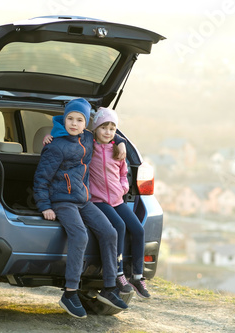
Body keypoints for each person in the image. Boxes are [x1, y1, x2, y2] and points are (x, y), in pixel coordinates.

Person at [33, 98, 128, 319]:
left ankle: (109, 288)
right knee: (80, 235)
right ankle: (70, 292)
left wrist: (121, 140)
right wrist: (45, 205)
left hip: (83, 199)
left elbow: (106, 133)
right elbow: (40, 179)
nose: (74, 123)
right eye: (70, 119)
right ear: (64, 119)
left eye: (79, 120)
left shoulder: (87, 138)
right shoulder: (55, 145)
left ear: (86, 124)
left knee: (109, 232)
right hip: (62, 200)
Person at [89, 107, 151, 298]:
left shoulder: (117, 149)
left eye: (112, 129)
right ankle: (118, 272)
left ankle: (137, 276)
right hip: (98, 200)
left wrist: (123, 188)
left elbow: (124, 174)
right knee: (119, 226)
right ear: (96, 128)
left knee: (138, 230)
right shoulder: (89, 147)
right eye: (104, 128)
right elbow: (72, 134)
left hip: (117, 199)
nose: (108, 132)